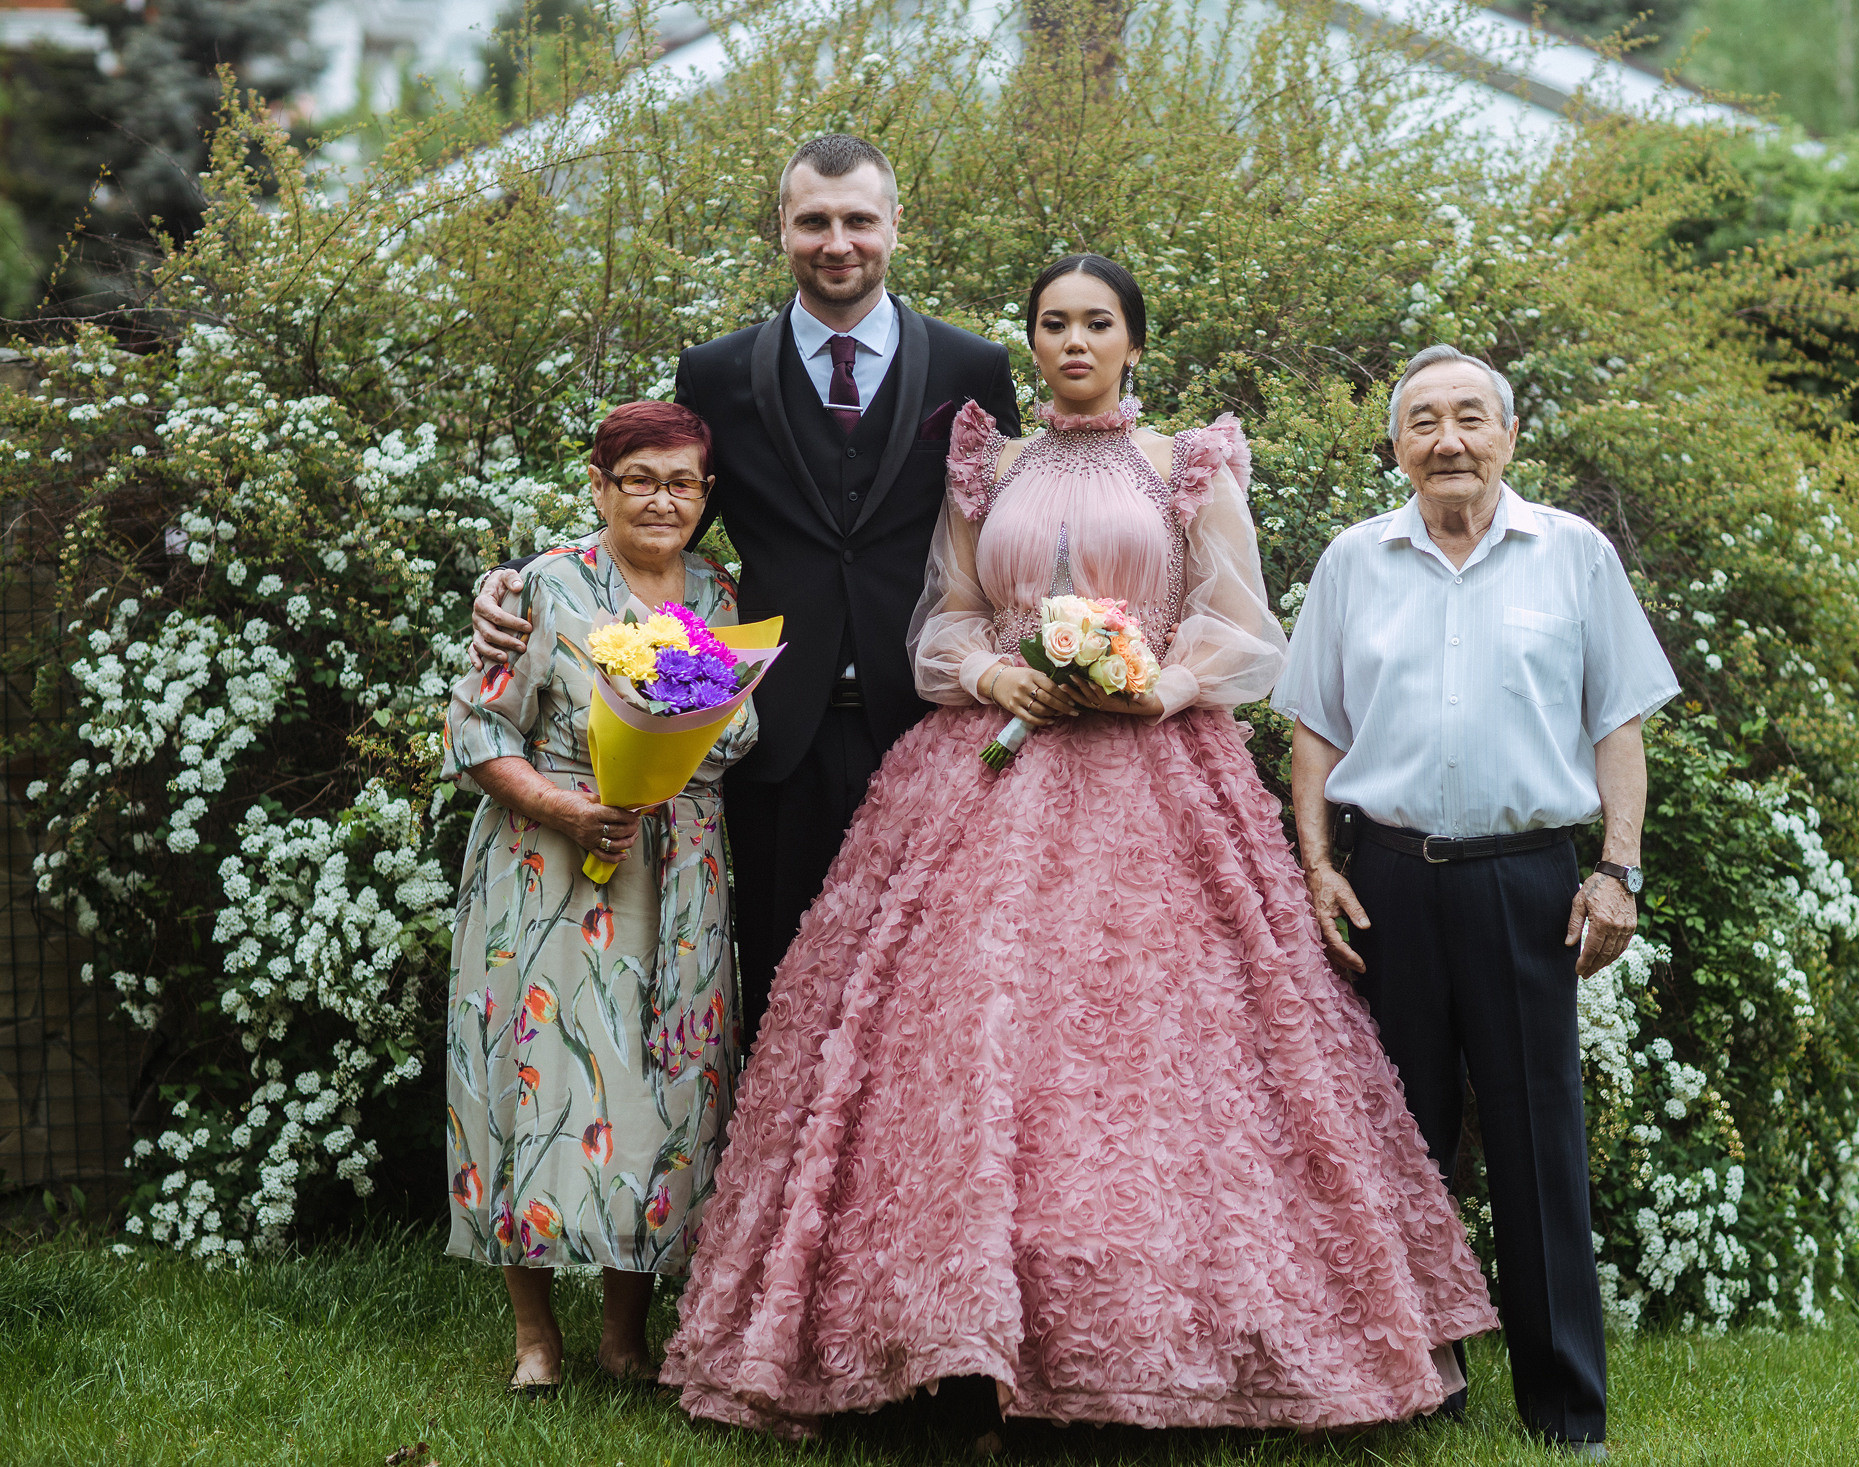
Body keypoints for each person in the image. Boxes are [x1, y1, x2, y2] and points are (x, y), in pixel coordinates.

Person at [655, 255, 1497, 1441]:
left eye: (1096, 324)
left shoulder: (1185, 464)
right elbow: (941, 613)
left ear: (1132, 344)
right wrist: (994, 669)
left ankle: (1173, 1342)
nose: (1072, 343)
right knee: (970, 1032)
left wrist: (1157, 685)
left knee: (1154, 1049)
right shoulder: (984, 464)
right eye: (1053, 325)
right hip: (980, 775)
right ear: (1033, 344)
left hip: (1154, 779)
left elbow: (1240, 624)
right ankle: (948, 1347)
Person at [471, 134, 1022, 1049]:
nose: (836, 241)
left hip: (931, 724)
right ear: (782, 228)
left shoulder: (974, 369)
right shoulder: (716, 373)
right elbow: (656, 516)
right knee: (780, 988)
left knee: (930, 995)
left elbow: (1014, 533)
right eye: (814, 221)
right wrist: (519, 583)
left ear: (896, 226)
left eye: (857, 220)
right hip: (774, 738)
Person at [1272, 344, 1680, 1459]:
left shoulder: (1574, 555)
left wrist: (1618, 868)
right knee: (1394, 1140)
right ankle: (1412, 1387)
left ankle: (1564, 1409)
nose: (1445, 439)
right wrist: (1316, 868)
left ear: (1507, 436)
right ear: (1394, 444)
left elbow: (1619, 723)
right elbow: (1313, 728)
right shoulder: (1354, 560)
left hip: (1528, 880)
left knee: (1535, 1138)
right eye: (1421, 422)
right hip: (1388, 880)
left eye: (1468, 418)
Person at [442, 401, 757, 1393]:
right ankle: (536, 1337)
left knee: (664, 1082)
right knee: (537, 1073)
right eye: (641, 479)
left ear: (707, 498)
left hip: (683, 867)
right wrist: (569, 809)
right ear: (600, 484)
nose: (663, 499)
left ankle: (628, 1330)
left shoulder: (722, 591)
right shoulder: (545, 584)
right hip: (546, 861)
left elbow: (738, 731)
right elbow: (476, 735)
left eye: (683, 483)